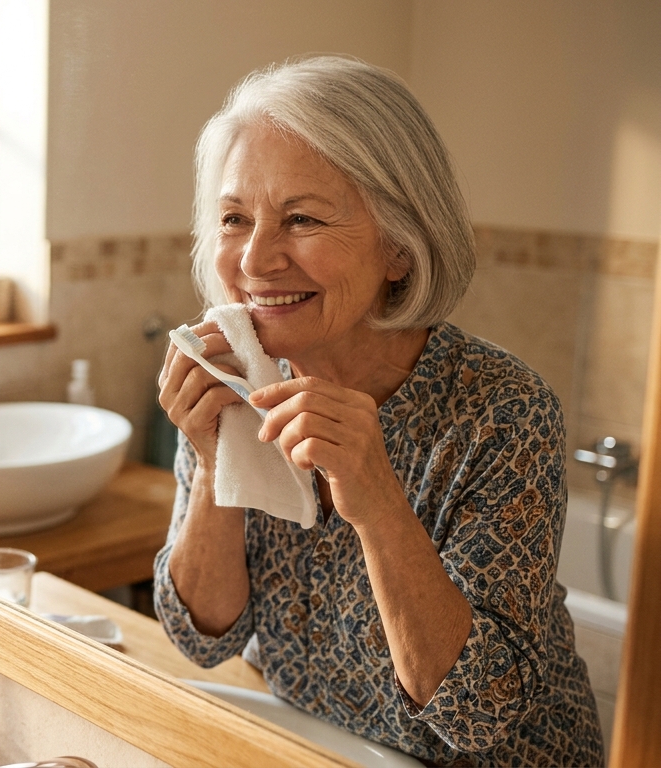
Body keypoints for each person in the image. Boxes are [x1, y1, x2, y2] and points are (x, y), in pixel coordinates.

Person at [154, 56, 604, 767]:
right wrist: (215, 464)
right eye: (234, 218)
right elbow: (200, 637)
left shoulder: (503, 413)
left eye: (300, 219)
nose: (256, 260)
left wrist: (377, 500)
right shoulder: (237, 378)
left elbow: (477, 711)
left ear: (399, 246)